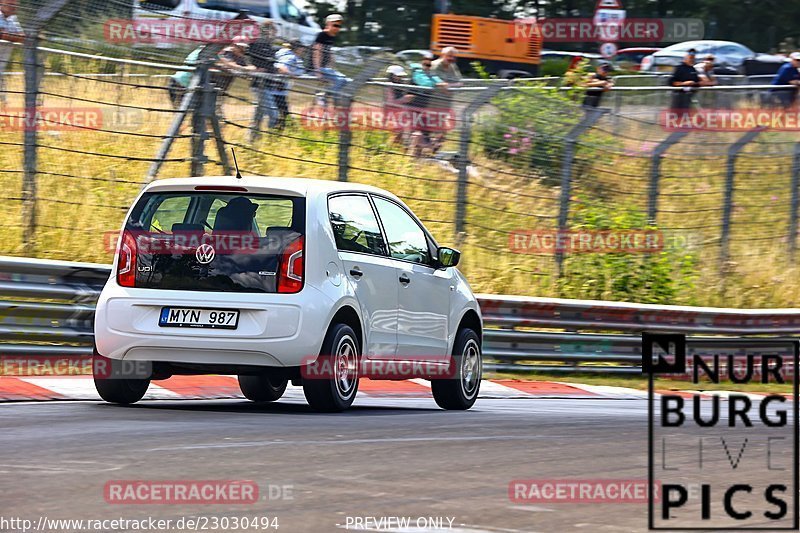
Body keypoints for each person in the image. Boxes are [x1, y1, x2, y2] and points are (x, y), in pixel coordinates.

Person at [409, 52, 447, 156]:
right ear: (421, 62)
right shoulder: (417, 72)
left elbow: (439, 81)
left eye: (429, 64)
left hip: (424, 108)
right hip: (413, 107)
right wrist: (438, 84)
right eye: (425, 63)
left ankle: (419, 155)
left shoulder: (430, 74)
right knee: (418, 132)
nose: (427, 66)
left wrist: (441, 84)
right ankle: (426, 149)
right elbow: (425, 83)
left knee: (426, 132)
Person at [248, 21, 280, 137]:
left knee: (259, 114)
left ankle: (252, 138)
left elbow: (270, 65)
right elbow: (259, 62)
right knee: (273, 114)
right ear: (266, 31)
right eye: (274, 31)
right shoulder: (257, 43)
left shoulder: (269, 46)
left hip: (267, 84)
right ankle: (271, 139)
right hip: (259, 84)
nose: (275, 34)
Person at [312, 13, 347, 107]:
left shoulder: (331, 36)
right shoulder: (322, 35)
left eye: (339, 26)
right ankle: (325, 96)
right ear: (328, 24)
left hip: (326, 68)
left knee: (345, 80)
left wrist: (332, 66)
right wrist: (317, 70)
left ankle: (333, 101)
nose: (337, 28)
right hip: (318, 68)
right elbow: (317, 53)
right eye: (335, 25)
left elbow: (329, 52)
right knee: (341, 80)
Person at [272, 40, 309, 130]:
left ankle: (279, 132)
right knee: (283, 114)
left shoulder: (292, 56)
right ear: (296, 48)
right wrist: (291, 75)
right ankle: (279, 134)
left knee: (282, 113)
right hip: (278, 88)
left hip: (280, 90)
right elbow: (281, 67)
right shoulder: (290, 57)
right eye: (301, 47)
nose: (303, 49)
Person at [0, 0, 23, 107]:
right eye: (11, 4)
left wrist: (9, 36)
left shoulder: (13, 19)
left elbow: (22, 37)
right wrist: (13, 37)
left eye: (16, 5)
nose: (15, 7)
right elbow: (2, 35)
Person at [383, 65, 414, 144]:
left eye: (401, 76)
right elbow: (390, 102)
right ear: (392, 75)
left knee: (402, 131)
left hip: (400, 112)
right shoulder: (389, 86)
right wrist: (404, 99)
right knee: (396, 132)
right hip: (392, 113)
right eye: (398, 76)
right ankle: (391, 146)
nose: (400, 78)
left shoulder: (400, 85)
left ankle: (399, 146)